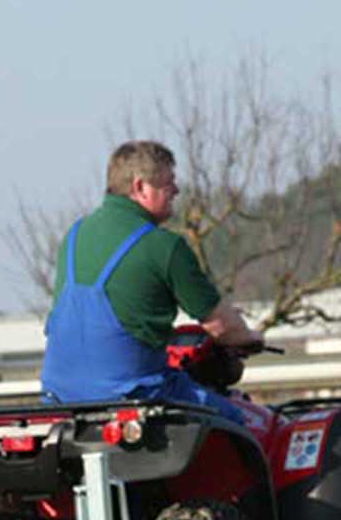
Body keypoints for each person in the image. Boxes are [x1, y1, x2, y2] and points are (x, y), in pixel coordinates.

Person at [40, 140, 262, 424]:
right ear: (141, 187)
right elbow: (221, 325)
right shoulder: (163, 246)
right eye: (169, 182)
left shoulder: (74, 235)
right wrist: (250, 338)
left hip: (58, 399)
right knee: (238, 420)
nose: (177, 190)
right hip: (136, 395)